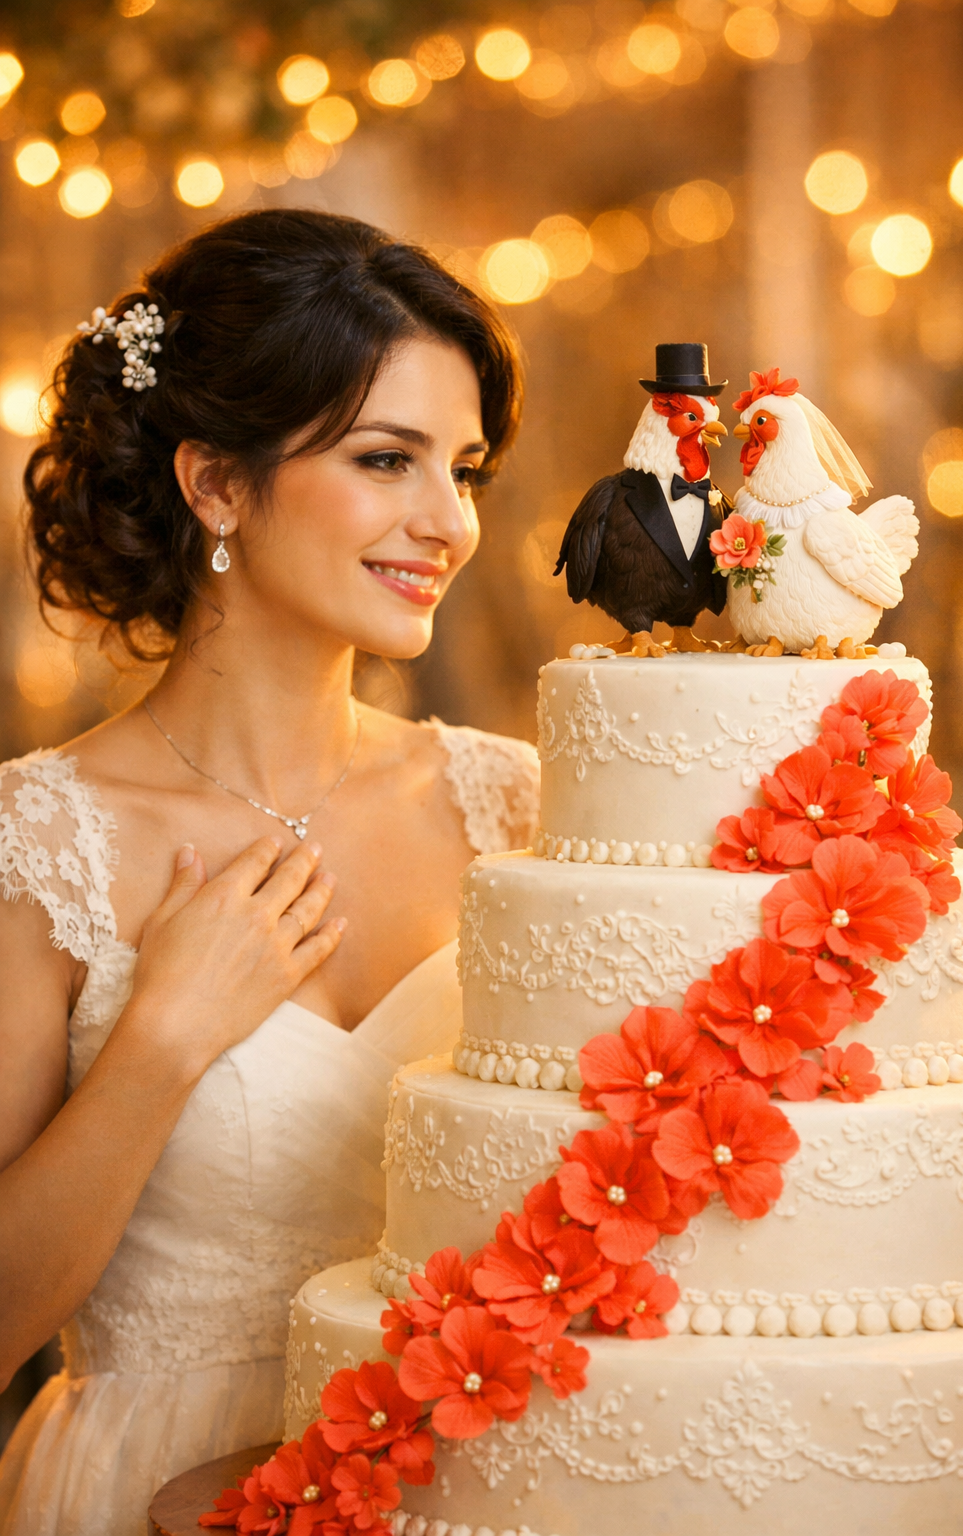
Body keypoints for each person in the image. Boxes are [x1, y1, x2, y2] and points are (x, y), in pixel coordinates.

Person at [0, 208, 538, 1536]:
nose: (447, 522)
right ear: (216, 484)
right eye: (386, 459)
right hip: (142, 1492)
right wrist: (161, 1039)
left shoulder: (514, 806)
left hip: (479, 1484)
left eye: (461, 468)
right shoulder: (41, 841)